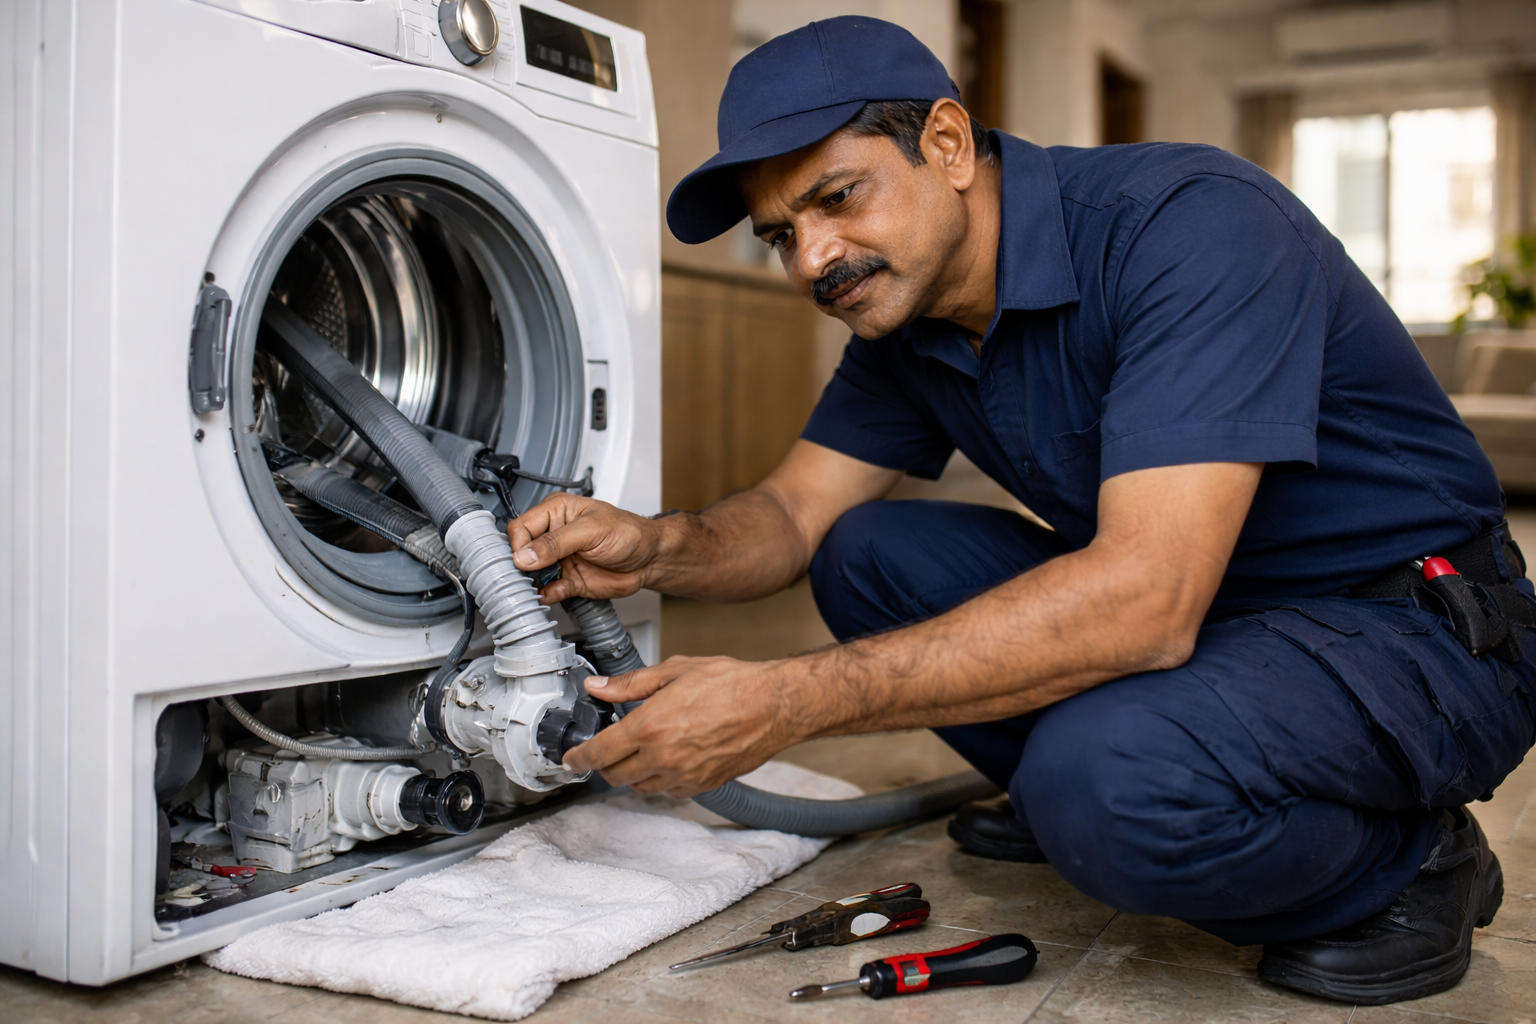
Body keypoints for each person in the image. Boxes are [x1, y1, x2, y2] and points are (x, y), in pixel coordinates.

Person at [507, 17, 1534, 1005]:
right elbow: (792, 512)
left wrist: (780, 700)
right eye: (783, 233)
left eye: (838, 198)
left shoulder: (1187, 224)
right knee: (867, 553)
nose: (814, 260)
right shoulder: (902, 316)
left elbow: (1145, 600)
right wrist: (652, 547)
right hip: (1222, 620)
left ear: (948, 143)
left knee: (1107, 788)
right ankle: (1113, 765)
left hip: (1415, 629)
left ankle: (1409, 862)